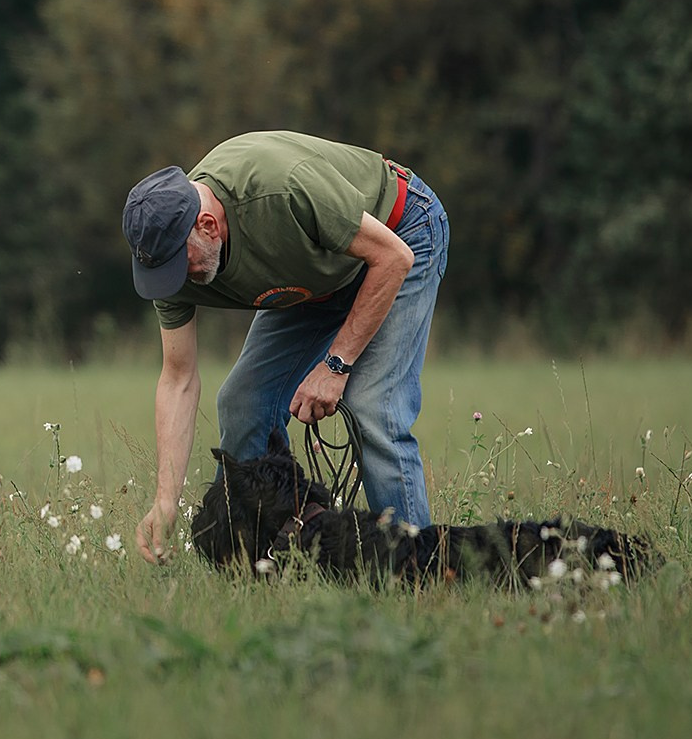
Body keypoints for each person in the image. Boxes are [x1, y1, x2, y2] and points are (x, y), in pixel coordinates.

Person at [122, 131, 450, 564]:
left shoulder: (282, 190)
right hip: (317, 279)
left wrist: (335, 366)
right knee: (242, 403)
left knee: (374, 407)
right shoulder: (169, 257)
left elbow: (393, 258)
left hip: (399, 233)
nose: (175, 282)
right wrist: (166, 499)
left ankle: (418, 570)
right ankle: (251, 567)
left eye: (181, 266)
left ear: (207, 226)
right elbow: (178, 379)